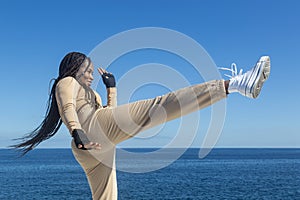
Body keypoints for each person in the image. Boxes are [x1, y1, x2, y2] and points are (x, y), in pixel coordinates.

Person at [12, 52, 270, 200]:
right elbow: (67, 107)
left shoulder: (93, 94)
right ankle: (233, 85)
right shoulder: (66, 82)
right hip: (87, 134)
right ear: (74, 68)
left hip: (93, 143)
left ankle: (234, 86)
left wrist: (112, 89)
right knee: (159, 106)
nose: (91, 75)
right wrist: (77, 133)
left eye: (92, 71)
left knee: (105, 196)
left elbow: (110, 115)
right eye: (87, 70)